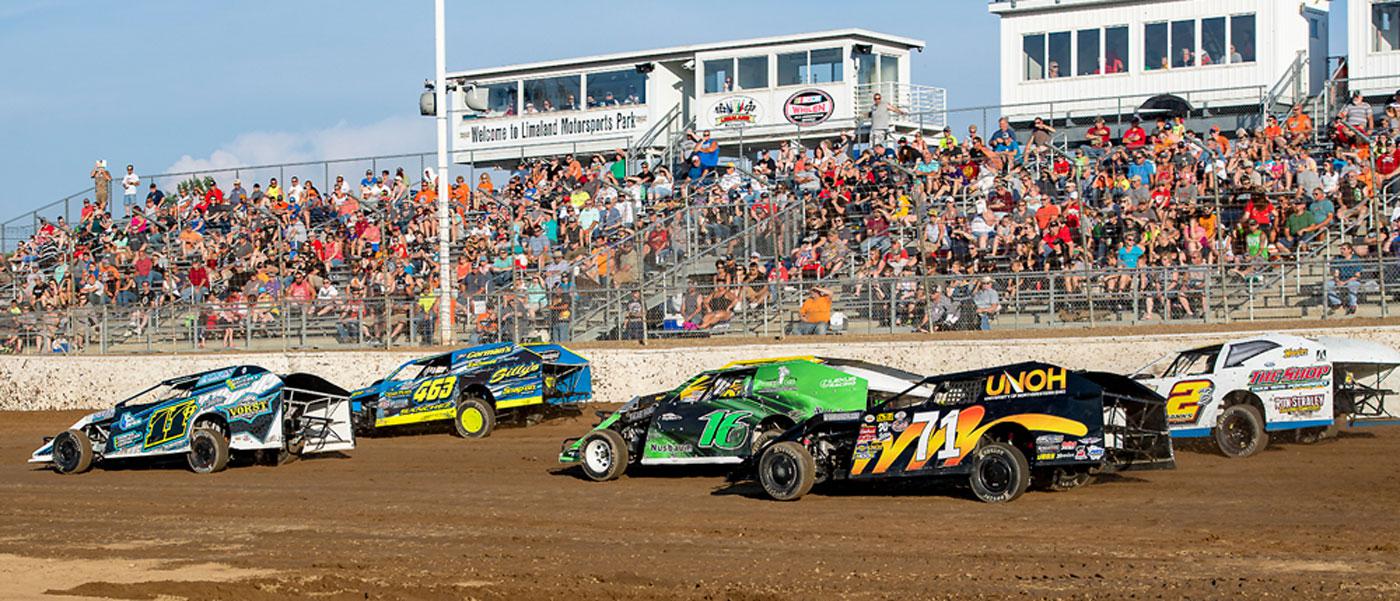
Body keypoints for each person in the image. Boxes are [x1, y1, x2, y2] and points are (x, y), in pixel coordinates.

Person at [1326, 243, 1363, 315]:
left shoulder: (1355, 259)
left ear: (1349, 250)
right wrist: (1337, 280)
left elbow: (1357, 275)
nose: (1341, 251)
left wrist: (1345, 282)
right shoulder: (1338, 258)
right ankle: (1336, 303)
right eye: (1341, 249)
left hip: (1353, 280)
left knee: (1352, 284)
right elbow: (1336, 272)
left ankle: (1352, 305)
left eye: (1344, 249)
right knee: (1328, 284)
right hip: (1341, 279)